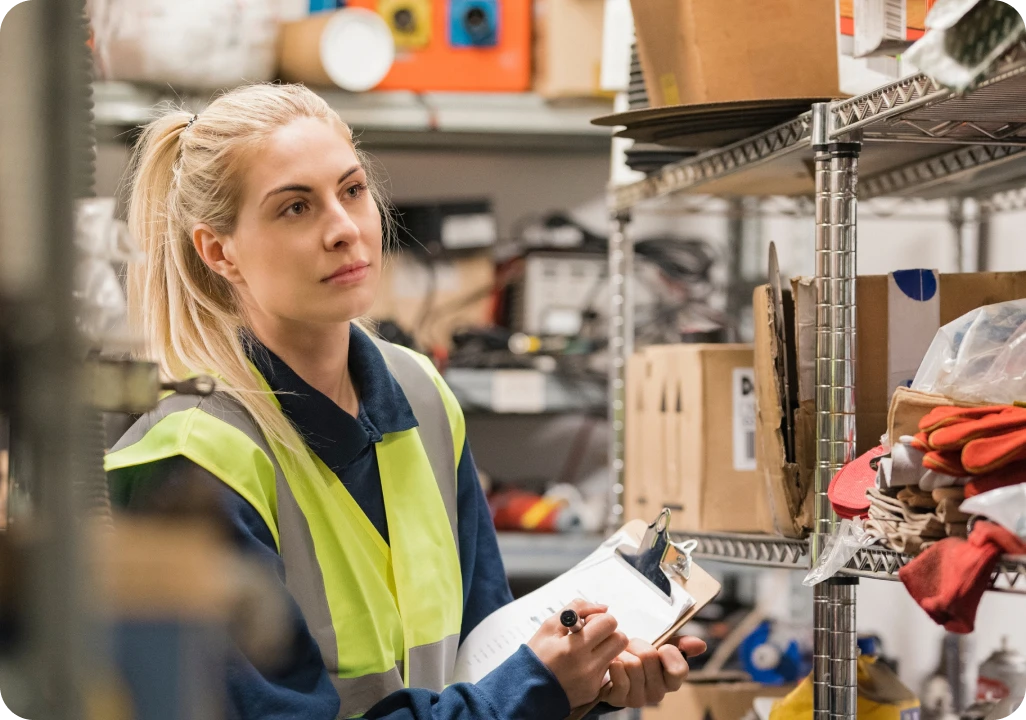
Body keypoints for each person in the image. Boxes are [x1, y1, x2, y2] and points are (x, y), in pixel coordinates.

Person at [105, 83, 706, 720]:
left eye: (352, 190)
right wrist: (531, 691)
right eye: (295, 208)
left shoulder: (420, 393)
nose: (343, 228)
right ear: (218, 251)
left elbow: (489, 655)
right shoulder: (189, 460)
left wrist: (580, 684)